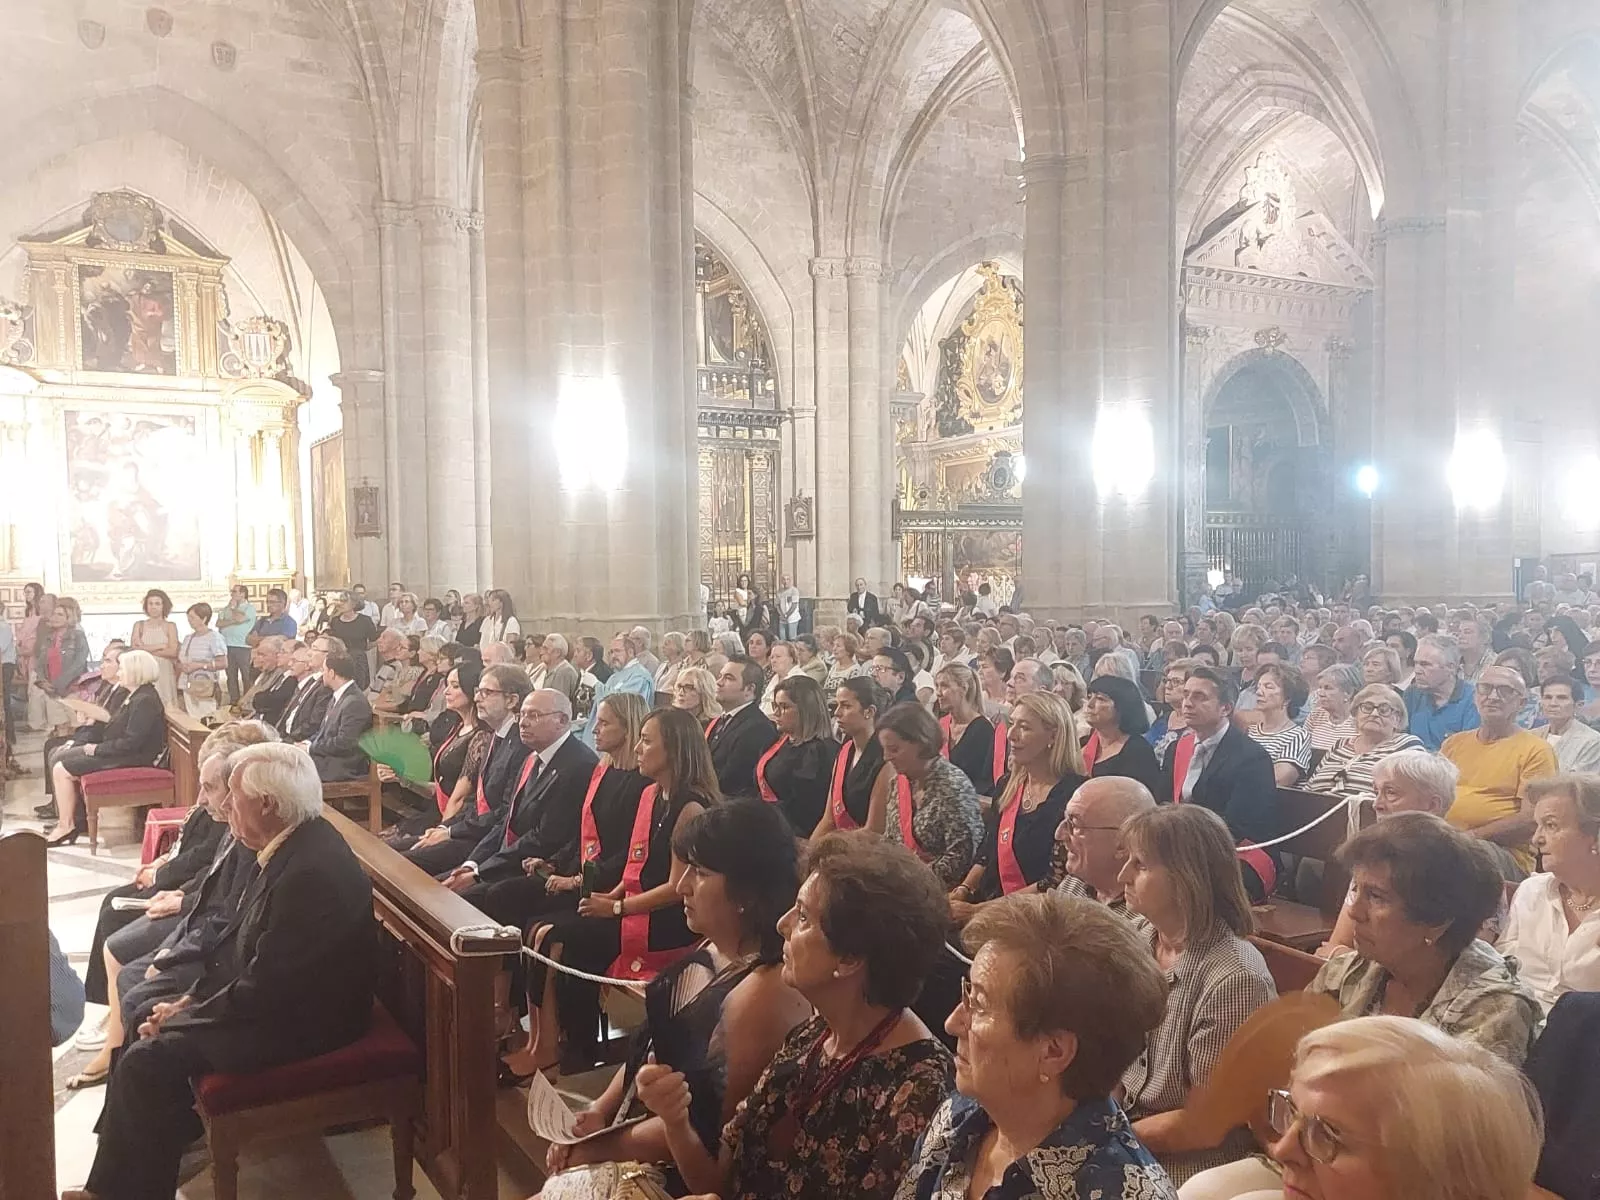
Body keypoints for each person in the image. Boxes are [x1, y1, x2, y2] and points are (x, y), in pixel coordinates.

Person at [63, 743, 374, 1200]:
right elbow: (239, 947)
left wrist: (186, 1015)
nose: (225, 807)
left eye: (234, 796)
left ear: (267, 804)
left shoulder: (309, 872)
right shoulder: (290, 841)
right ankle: (133, 1171)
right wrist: (187, 1000)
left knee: (149, 1060)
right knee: (147, 1013)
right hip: (285, 999)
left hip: (311, 1022)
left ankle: (123, 1191)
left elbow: (267, 986)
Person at [647, 832, 952, 1200]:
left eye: (804, 917)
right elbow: (718, 1183)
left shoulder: (919, 1088)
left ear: (849, 958)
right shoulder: (812, 1035)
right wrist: (676, 1121)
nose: (783, 923)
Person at [539, 799, 812, 1190]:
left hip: (678, 1171)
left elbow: (709, 1134)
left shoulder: (762, 996)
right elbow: (653, 1047)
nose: (681, 885)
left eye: (699, 873)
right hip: (638, 1137)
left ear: (746, 893)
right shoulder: (716, 944)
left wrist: (594, 1149)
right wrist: (600, 1109)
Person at [900, 894, 1177, 1200]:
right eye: (967, 992)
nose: (952, 1023)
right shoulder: (959, 1117)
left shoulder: (1122, 1191)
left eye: (978, 1003)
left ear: (1053, 1052)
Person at [525, 707, 713, 1072]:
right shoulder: (653, 794)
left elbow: (677, 888)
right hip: (636, 904)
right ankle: (545, 1042)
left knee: (564, 942)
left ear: (673, 749)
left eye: (647, 741)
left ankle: (575, 1050)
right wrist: (610, 896)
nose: (638, 749)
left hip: (668, 920)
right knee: (541, 929)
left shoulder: (690, 806)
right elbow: (637, 863)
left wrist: (616, 909)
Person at [1116, 804, 1276, 1185]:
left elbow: (1205, 1124)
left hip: (1192, 1163)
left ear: (1185, 878)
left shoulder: (1235, 977)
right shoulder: (1135, 935)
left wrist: (1107, 1141)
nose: (1123, 875)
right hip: (1125, 1132)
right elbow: (1109, 1053)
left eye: (1140, 865)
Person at [1308, 812, 1540, 1064]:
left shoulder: (1495, 1010)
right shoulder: (1345, 972)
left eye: (1376, 897)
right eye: (1357, 889)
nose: (1354, 912)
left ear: (1436, 920)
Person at [951, 693, 1085, 911]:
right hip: (987, 902)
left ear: (1053, 736)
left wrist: (979, 912)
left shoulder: (1075, 796)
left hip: (1034, 913)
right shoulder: (1008, 785)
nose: (1011, 735)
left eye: (1024, 727)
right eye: (1012, 723)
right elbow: (988, 851)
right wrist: (964, 890)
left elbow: (1055, 882)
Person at [1159, 665, 1280, 900]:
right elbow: (1162, 804)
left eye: (1200, 697)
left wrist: (1182, 847)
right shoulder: (1177, 748)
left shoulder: (1251, 757)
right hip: (1183, 843)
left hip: (1237, 852)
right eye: (1186, 694)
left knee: (1174, 878)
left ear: (1225, 708)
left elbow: (1238, 826)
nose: (1187, 703)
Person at [404, 663, 534, 875]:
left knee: (403, 865)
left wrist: (451, 831)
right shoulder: (495, 735)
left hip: (487, 842)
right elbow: (476, 802)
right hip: (472, 829)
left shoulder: (520, 745)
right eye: (477, 691)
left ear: (511, 700)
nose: (477, 698)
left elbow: (504, 812)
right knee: (389, 853)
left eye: (486, 692)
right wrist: (445, 828)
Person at [1441, 664, 1557, 877]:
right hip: (1447, 840)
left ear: (1521, 703)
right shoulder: (1453, 744)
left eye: (1505, 690)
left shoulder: (1536, 750)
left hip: (1503, 853)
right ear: (1475, 696)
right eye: (1486, 688)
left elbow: (1531, 819)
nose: (1493, 696)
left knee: (1455, 857)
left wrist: (1470, 836)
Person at [1496, 775, 1600, 1014]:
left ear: (1594, 836)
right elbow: (1501, 969)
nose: (1536, 838)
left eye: (1551, 825)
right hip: (1516, 1024)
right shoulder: (1531, 892)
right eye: (1537, 826)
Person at [47, 649, 167, 847]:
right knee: (63, 761)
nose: (119, 673)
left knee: (62, 769)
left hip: (132, 758)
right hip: (121, 752)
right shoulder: (135, 695)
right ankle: (69, 823)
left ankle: (66, 825)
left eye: (123, 669)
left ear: (135, 671)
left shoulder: (144, 699)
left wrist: (97, 749)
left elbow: (132, 742)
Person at [879, 700, 985, 888]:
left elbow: (961, 857)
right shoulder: (898, 783)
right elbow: (890, 842)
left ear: (921, 743)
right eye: (885, 749)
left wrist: (911, 878)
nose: (886, 757)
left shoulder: (953, 786)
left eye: (894, 749)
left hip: (942, 891)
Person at [1304, 684, 1423, 798]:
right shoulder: (1340, 744)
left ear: (1397, 719)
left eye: (1384, 710)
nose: (1374, 714)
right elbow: (1308, 789)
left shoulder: (1406, 745)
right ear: (1355, 715)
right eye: (1367, 707)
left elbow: (1416, 795)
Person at [1054, 776, 1156, 909]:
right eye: (1065, 819)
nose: (1059, 834)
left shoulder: (1147, 913)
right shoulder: (1074, 883)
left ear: (1122, 843)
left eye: (1075, 824)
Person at [757, 675, 839, 839]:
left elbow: (808, 808)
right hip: (772, 828)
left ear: (806, 710)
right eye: (775, 706)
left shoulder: (821, 751)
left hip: (799, 836)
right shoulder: (779, 742)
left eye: (784, 707)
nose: (776, 713)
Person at [811, 677, 892, 839]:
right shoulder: (845, 751)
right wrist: (810, 849)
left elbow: (874, 830)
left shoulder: (886, 758)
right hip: (843, 842)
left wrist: (830, 847)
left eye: (846, 706)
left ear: (869, 712)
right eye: (837, 705)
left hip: (869, 848)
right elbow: (829, 819)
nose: (837, 712)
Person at [706, 657, 779, 800]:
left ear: (749, 689)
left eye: (728, 678)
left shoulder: (758, 728)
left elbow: (733, 782)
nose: (719, 682)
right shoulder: (721, 720)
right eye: (720, 676)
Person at [1082, 674, 1164, 797]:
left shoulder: (1138, 751)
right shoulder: (1083, 743)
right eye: (1089, 697)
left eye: (1100, 699)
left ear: (1122, 707)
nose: (1090, 704)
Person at [302, 652, 373, 783]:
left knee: (291, 769)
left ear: (332, 673)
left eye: (324, 670)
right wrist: (306, 743)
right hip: (327, 758)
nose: (322, 674)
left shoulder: (355, 702)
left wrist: (310, 748)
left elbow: (345, 743)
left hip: (343, 766)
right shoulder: (338, 696)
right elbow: (323, 732)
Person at [1403, 633, 1480, 750]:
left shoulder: (1473, 700)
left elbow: (1468, 751)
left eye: (1425, 664)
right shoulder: (1412, 694)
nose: (1417, 671)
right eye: (1416, 663)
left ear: (1451, 667)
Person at [936, 662, 1002, 794]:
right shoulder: (940, 725)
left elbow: (985, 781)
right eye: (937, 686)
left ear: (964, 688)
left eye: (944, 686)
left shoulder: (983, 730)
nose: (938, 693)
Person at [1245, 662, 1312, 786]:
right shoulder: (1249, 731)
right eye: (1259, 687)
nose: (1259, 692)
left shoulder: (1298, 736)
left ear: (1287, 698)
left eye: (1268, 687)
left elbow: (1280, 779)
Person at [584, 633, 656, 745]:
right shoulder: (616, 675)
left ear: (630, 652)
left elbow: (625, 706)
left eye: (617, 651)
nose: (613, 656)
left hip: (624, 734)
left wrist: (596, 685)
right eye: (611, 652)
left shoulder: (639, 676)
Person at [1536, 676, 1600, 772]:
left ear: (1579, 705)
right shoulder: (1531, 735)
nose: (1553, 703)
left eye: (1562, 698)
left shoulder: (1592, 741)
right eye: (1548, 697)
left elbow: (1578, 778)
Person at [175, 602, 227, 719]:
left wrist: (199, 665)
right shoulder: (188, 638)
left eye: (192, 617)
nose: (189, 620)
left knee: (206, 717)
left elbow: (223, 663)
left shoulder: (214, 637)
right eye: (188, 617)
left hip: (204, 685)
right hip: (187, 684)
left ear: (204, 619)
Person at [131, 588, 180, 706]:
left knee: (167, 706)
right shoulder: (139, 625)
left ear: (164, 606)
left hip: (164, 672)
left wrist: (145, 650)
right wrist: (161, 646)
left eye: (157, 604)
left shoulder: (170, 626)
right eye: (150, 603)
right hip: (144, 673)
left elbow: (173, 652)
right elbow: (135, 650)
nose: (153, 607)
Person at [1304, 663, 1361, 752]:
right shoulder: (1315, 716)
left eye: (1327, 688)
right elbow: (1302, 749)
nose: (1320, 693)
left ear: (1349, 693)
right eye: (1320, 687)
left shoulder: (1361, 720)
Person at [327, 592, 378, 688]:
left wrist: (362, 648)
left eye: (344, 601)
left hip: (358, 662)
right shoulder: (335, 621)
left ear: (354, 604)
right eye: (340, 601)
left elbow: (374, 640)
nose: (340, 604)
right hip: (340, 661)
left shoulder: (365, 621)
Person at [216, 584, 257, 703]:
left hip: (243, 646)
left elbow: (240, 619)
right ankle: (234, 701)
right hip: (227, 645)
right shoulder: (227, 608)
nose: (232, 594)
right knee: (231, 676)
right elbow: (219, 623)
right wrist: (232, 621)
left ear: (243, 594)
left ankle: (247, 701)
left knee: (246, 675)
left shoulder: (249, 608)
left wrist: (234, 610)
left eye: (234, 591)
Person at [672, 665, 722, 729]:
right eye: (679, 686)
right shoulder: (670, 720)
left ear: (704, 692)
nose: (681, 693)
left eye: (688, 687)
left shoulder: (715, 726)